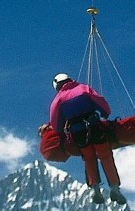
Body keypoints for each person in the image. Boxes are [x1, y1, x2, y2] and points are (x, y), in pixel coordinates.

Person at [41, 73, 127, 205]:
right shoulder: (84, 89)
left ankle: (94, 189)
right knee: (105, 156)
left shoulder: (58, 100)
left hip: (78, 133)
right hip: (95, 127)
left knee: (89, 158)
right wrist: (105, 113)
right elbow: (100, 101)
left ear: (57, 85)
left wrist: (61, 129)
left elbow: (56, 123)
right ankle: (115, 188)